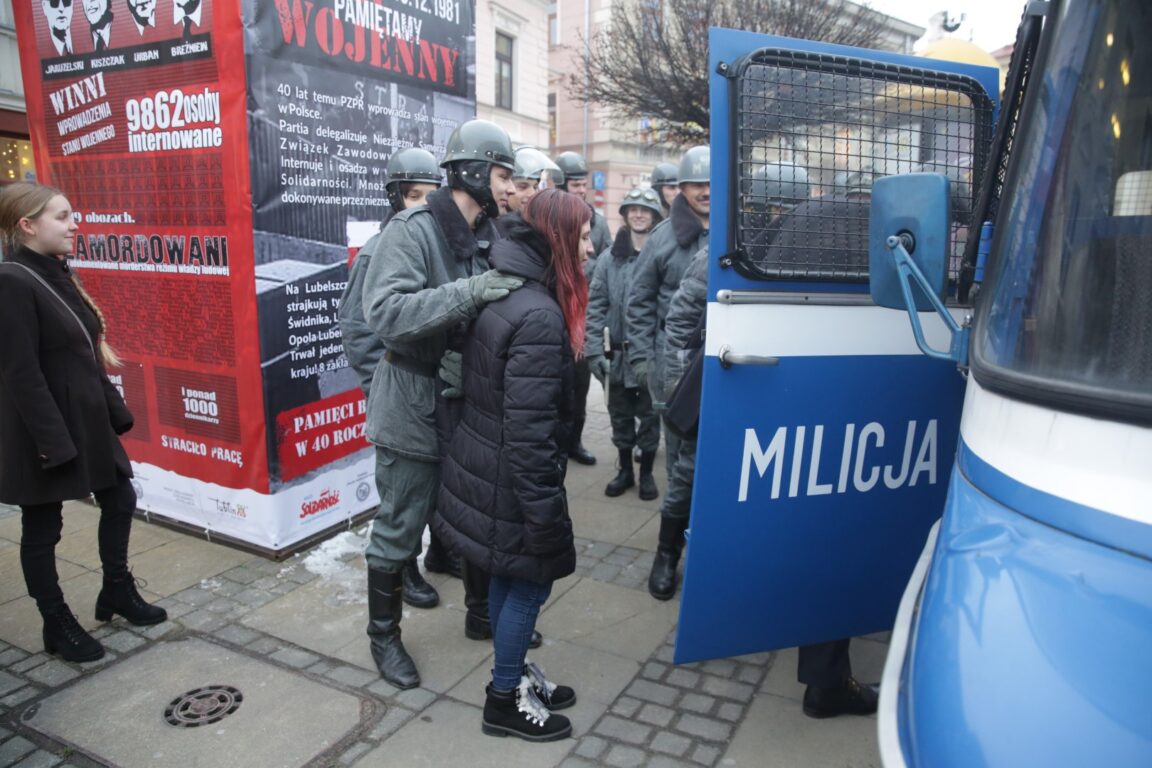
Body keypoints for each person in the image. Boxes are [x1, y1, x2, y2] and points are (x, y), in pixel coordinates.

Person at [359, 119, 524, 689]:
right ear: (475, 171)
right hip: (412, 403)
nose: (509, 186)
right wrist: (471, 292)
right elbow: (385, 315)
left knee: (479, 517)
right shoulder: (412, 230)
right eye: (503, 175)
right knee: (400, 528)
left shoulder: (491, 232)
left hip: (468, 403)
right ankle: (384, 637)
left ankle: (482, 616)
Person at [433, 188, 588, 742]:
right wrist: (546, 512)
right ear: (559, 240)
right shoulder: (540, 315)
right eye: (584, 235)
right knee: (529, 583)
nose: (590, 245)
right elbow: (529, 432)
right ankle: (503, 700)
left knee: (505, 573)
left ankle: (514, 675)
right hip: (511, 478)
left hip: (490, 469)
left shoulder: (511, 289)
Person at [0, 182, 167, 664]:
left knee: (121, 496)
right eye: (63, 216)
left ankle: (116, 589)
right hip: (44, 426)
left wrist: (113, 410)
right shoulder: (12, 279)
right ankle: (57, 621)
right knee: (42, 525)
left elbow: (81, 351)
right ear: (27, 225)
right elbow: (20, 372)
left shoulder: (55, 272)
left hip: (85, 418)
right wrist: (53, 443)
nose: (75, 224)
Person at [338, 148, 449, 609]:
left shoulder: (439, 243)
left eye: (431, 196)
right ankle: (404, 568)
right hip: (401, 394)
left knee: (437, 487)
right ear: (395, 198)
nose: (422, 204)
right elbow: (358, 328)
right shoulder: (378, 251)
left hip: (437, 392)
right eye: (412, 195)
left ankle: (440, 553)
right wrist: (379, 386)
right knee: (402, 499)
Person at [626, 145, 710, 598]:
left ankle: (704, 546)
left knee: (708, 470)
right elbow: (637, 303)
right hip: (674, 372)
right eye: (697, 184)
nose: (706, 193)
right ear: (681, 188)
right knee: (681, 471)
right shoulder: (662, 238)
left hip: (722, 366)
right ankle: (667, 554)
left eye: (714, 185)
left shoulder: (738, 230)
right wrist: (642, 361)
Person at [585, 186, 663, 500]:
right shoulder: (608, 260)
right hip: (616, 358)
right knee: (619, 417)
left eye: (645, 210)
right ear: (626, 215)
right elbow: (596, 306)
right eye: (633, 209)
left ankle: (645, 474)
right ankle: (625, 471)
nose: (639, 214)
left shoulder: (662, 256)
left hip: (650, 358)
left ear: (656, 216)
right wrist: (593, 350)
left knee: (649, 419)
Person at [552, 150, 606, 467]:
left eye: (584, 184)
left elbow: (608, 261)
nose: (582, 190)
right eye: (575, 184)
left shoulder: (596, 223)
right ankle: (557, 448)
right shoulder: (550, 223)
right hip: (556, 320)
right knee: (557, 393)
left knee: (580, 391)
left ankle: (575, 443)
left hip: (582, 323)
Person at [501, 146, 560, 220]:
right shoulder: (490, 228)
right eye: (523, 187)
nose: (532, 194)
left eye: (535, 187)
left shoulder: (540, 225)